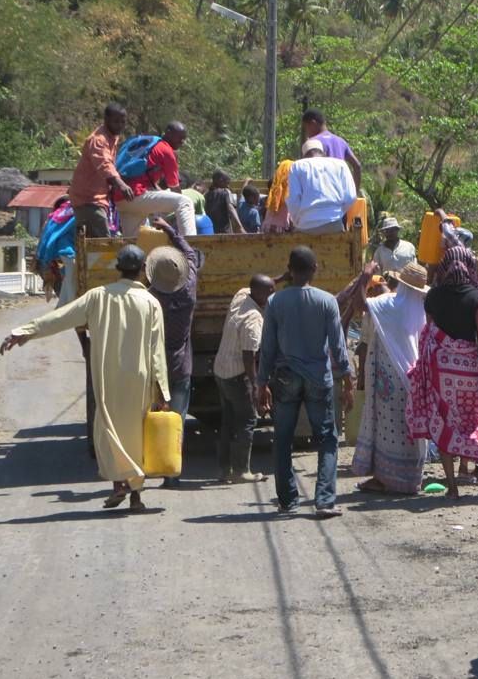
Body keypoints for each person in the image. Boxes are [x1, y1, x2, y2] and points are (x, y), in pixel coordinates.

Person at [0, 244, 170, 512]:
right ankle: (136, 497)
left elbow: (61, 317)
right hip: (140, 378)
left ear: (117, 269)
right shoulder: (151, 303)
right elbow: (156, 351)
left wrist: (23, 331)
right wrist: (163, 392)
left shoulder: (97, 297)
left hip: (107, 376)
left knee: (108, 431)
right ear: (142, 271)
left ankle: (118, 485)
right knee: (138, 434)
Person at [257, 246, 355, 518]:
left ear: (289, 270)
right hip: (318, 379)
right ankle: (324, 500)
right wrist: (347, 380)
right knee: (326, 439)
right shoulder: (326, 301)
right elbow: (338, 346)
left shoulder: (276, 302)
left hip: (285, 377)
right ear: (315, 269)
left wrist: (261, 382)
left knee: (283, 439)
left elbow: (267, 347)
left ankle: (288, 501)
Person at [407, 247, 478, 499]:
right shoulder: (477, 296)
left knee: (444, 419)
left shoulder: (432, 296)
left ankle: (452, 486)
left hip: (440, 368)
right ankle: (467, 465)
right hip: (468, 370)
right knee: (468, 417)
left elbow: (430, 333)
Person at [353, 263, 430, 495]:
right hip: (412, 376)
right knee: (408, 429)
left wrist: (364, 278)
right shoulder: (420, 308)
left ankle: (386, 479)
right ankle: (409, 480)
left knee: (387, 428)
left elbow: (359, 305)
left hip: (389, 376)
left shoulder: (390, 304)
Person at [146, 217, 200, 489]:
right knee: (176, 419)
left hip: (153, 368)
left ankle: (145, 466)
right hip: (180, 366)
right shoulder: (189, 290)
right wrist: (170, 230)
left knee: (148, 415)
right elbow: (190, 254)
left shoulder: (150, 297)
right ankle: (171, 473)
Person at [213, 275, 275, 484]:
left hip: (221, 370)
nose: (272, 295)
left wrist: (282, 277)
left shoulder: (241, 296)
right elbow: (249, 356)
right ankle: (241, 471)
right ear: (259, 293)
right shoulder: (253, 318)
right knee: (248, 420)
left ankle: (224, 470)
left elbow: (258, 285)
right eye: (269, 292)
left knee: (227, 422)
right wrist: (258, 386)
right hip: (237, 375)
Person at [119, 121, 197, 237]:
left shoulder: (148, 143)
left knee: (136, 244)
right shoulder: (166, 150)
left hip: (121, 199)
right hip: (136, 195)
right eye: (180, 137)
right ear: (168, 133)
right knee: (185, 202)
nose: (182, 142)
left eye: (184, 138)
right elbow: (174, 188)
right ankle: (192, 247)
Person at [69, 103, 133, 238]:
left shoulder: (112, 137)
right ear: (106, 120)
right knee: (103, 245)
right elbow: (104, 164)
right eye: (116, 122)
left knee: (90, 246)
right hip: (88, 200)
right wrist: (120, 184)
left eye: (123, 122)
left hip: (98, 199)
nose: (120, 125)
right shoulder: (99, 140)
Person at [286, 139, 358, 234]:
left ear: (304, 155)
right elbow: (351, 197)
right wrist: (338, 213)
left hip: (306, 224)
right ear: (324, 153)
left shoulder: (297, 166)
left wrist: (297, 222)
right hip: (334, 223)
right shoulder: (340, 164)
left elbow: (293, 200)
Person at [301, 108, 362, 191]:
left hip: (323, 193)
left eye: (306, 128)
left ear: (313, 124)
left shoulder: (313, 143)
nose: (306, 132)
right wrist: (355, 193)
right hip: (341, 194)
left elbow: (307, 171)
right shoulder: (341, 141)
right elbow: (357, 166)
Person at [205, 169, 245, 234]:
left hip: (210, 232)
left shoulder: (206, 195)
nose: (228, 186)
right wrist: (240, 227)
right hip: (224, 232)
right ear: (220, 181)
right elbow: (231, 209)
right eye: (227, 183)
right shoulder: (225, 192)